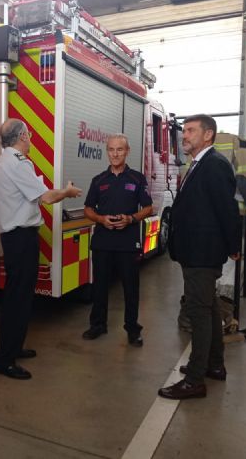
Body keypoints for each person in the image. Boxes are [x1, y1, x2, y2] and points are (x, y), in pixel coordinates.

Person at [0, 118, 81, 380]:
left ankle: (14, 347)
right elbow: (47, 197)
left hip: (16, 238)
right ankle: (4, 360)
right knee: (17, 299)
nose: (30, 139)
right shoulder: (17, 164)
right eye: (28, 135)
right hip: (20, 239)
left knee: (20, 296)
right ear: (23, 136)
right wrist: (67, 192)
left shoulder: (2, 163)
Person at [158, 114, 241, 400]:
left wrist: (234, 245)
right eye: (185, 131)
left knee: (198, 311)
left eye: (191, 131)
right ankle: (214, 365)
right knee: (209, 308)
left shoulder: (214, 165)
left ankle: (195, 380)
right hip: (195, 250)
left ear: (208, 135)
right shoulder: (199, 164)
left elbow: (227, 210)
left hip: (203, 252)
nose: (185, 135)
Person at [82, 134, 153, 346]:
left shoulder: (137, 179)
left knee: (130, 288)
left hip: (128, 243)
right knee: (100, 287)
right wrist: (100, 219)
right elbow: (88, 208)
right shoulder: (98, 180)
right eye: (111, 149)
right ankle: (97, 325)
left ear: (127, 151)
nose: (115, 154)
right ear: (107, 151)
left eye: (119, 149)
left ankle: (132, 329)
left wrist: (131, 219)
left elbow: (148, 207)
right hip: (102, 242)